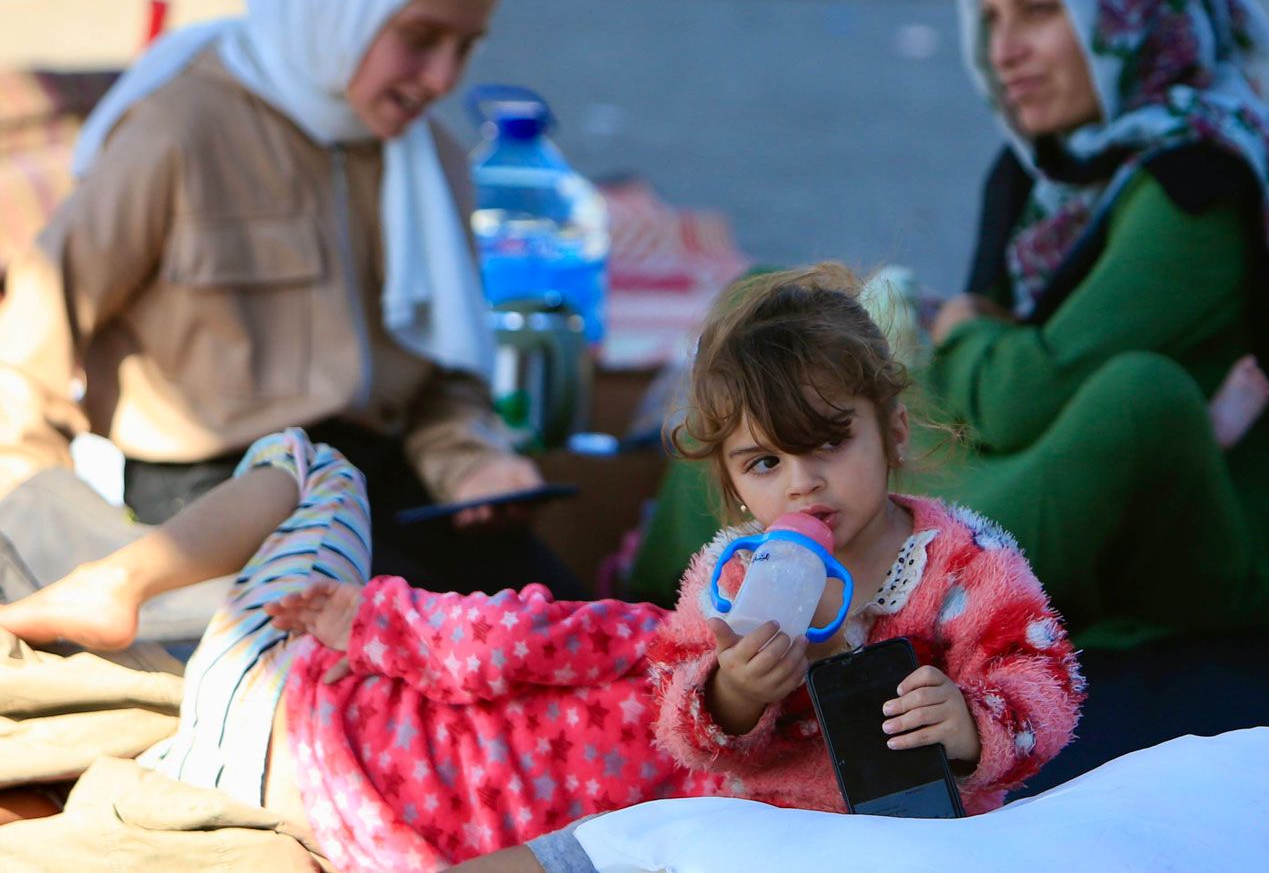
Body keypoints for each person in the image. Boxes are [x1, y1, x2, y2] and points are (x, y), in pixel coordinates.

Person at [0, 264, 1083, 869]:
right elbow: (684, 727)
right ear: (732, 487)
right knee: (310, 465)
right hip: (303, 703)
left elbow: (1047, 676)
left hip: (301, 708)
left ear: (893, 431)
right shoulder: (719, 585)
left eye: (828, 444)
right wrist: (726, 693)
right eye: (765, 462)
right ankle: (123, 584)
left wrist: (974, 722)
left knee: (309, 466)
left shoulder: (960, 561)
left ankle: (134, 588)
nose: (802, 486)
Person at [633, 0, 1269, 651]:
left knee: (1144, 398)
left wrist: (963, 329)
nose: (1004, 51)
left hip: (1194, 526)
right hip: (1030, 445)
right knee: (767, 320)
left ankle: (876, 612)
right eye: (993, 17)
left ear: (1129, 12)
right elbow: (1000, 396)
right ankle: (648, 625)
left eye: (1039, 11)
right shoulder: (1038, 171)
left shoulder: (1197, 185)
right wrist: (968, 342)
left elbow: (1023, 395)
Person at [0, 0, 578, 597]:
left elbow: (441, 380)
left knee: (563, 622)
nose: (440, 78)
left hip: (380, 476)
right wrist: (41, 513)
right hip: (209, 497)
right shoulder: (184, 129)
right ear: (342, 6)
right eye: (420, 38)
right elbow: (30, 342)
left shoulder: (429, 160)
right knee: (390, 651)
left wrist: (472, 463)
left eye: (465, 47)